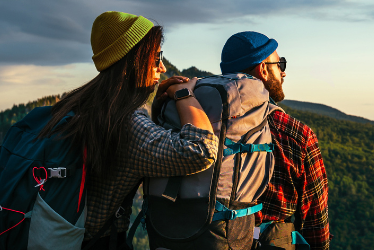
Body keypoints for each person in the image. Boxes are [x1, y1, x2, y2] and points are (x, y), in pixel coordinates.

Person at [38, 11, 218, 249]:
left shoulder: (80, 104)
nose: (162, 67)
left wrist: (158, 105)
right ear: (131, 62)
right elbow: (202, 149)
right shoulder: (125, 122)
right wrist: (184, 94)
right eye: (156, 58)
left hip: (63, 236)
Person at [218, 31, 331, 250]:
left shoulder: (196, 120)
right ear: (263, 69)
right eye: (280, 64)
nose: (283, 73)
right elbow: (315, 220)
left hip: (210, 238)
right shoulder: (296, 134)